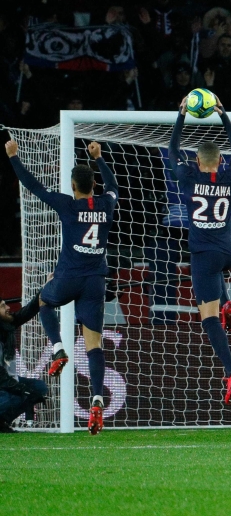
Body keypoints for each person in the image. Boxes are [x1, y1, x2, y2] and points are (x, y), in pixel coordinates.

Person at [5, 139, 118, 435]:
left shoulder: (68, 205)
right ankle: (96, 398)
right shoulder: (107, 204)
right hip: (95, 282)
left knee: (43, 301)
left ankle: (58, 349)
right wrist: (100, 158)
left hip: (69, 277)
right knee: (94, 345)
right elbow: (114, 185)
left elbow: (34, 187)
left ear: (73, 185)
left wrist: (14, 158)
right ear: (93, 183)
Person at [168, 96, 231, 404]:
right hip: (230, 252)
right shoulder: (230, 176)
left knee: (208, 319)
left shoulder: (188, 176)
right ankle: (228, 303)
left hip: (204, 255)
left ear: (198, 161)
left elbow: (173, 151)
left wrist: (181, 115)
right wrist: (224, 116)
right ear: (220, 161)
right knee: (216, 276)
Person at [0, 294, 46, 432]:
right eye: (3, 306)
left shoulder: (6, 325)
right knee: (17, 396)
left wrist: (44, 291)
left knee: (39, 387)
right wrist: (22, 389)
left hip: (6, 382)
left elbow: (27, 312)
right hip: (2, 382)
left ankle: (2, 422)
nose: (8, 308)